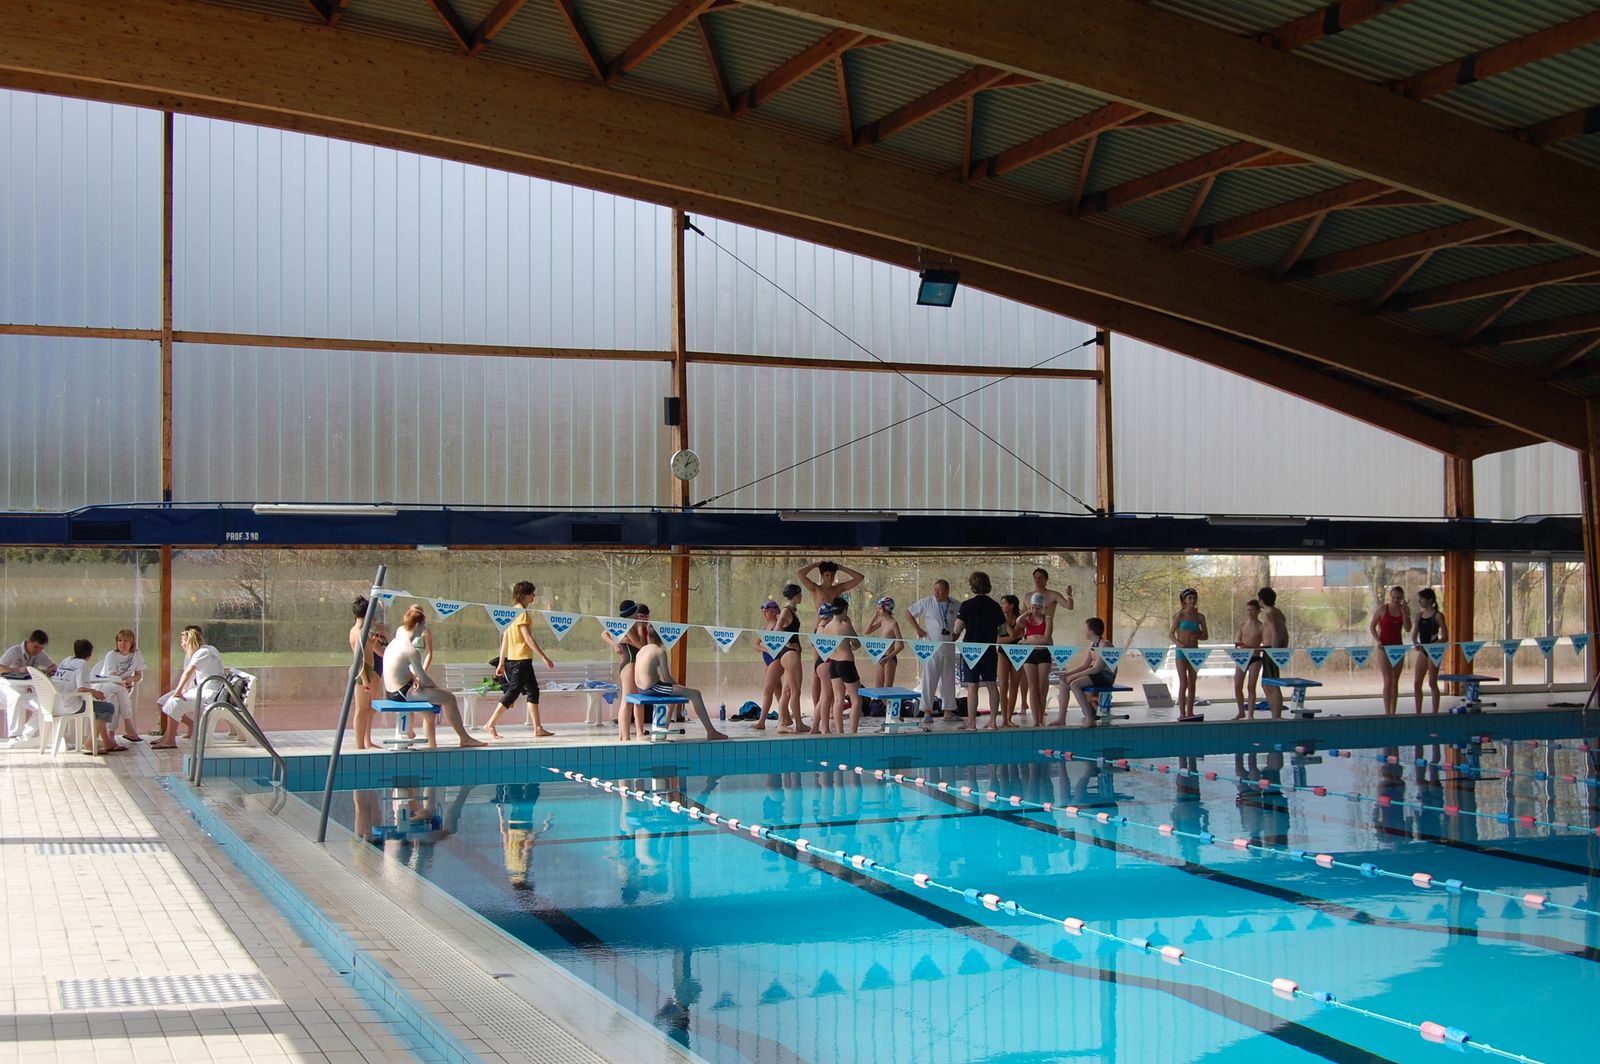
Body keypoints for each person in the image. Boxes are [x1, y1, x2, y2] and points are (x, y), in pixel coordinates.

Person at [380, 607, 484, 748]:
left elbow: (397, 668)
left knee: (429, 714)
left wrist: (413, 678)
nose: (424, 628)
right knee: (449, 698)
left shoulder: (397, 639)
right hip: (402, 693)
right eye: (423, 625)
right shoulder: (410, 650)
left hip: (393, 691)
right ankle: (465, 739)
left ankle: (432, 747)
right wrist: (437, 689)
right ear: (417, 625)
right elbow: (424, 679)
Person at [485, 581, 557, 739]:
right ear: (524, 595)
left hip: (516, 660)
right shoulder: (522, 614)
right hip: (521, 660)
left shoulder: (511, 613)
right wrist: (544, 657)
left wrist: (502, 663)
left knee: (533, 690)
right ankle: (490, 723)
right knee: (513, 692)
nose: (534, 596)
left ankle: (538, 728)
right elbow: (527, 638)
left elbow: (504, 640)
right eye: (532, 594)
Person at [796, 561, 865, 714]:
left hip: (836, 631)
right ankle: (817, 709)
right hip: (820, 631)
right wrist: (815, 564)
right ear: (822, 575)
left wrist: (842, 567)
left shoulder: (838, 589)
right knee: (818, 671)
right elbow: (800, 574)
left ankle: (833, 707)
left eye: (832, 575)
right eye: (827, 575)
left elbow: (860, 578)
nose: (830, 578)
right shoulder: (816, 588)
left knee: (834, 668)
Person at [631, 640, 727, 741]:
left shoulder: (642, 650)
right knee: (696, 694)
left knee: (673, 694)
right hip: (653, 688)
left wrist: (678, 689)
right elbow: (667, 679)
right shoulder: (659, 652)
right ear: (661, 639)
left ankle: (649, 732)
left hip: (641, 689)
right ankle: (711, 732)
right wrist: (680, 688)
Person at [152, 625, 226, 748]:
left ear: (189, 642)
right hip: (204, 690)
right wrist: (182, 690)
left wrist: (179, 691)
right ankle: (168, 737)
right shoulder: (207, 650)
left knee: (174, 702)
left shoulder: (202, 652)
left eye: (183, 642)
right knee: (168, 702)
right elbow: (190, 674)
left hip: (210, 694)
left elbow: (188, 672)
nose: (181, 645)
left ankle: (170, 741)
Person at [952, 571, 1005, 731]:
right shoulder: (995, 606)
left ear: (972, 585)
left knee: (972, 686)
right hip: (989, 650)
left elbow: (956, 629)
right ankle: (993, 722)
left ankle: (971, 723)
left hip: (971, 651)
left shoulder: (966, 605)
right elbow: (1003, 631)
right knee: (991, 685)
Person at [55, 639, 121, 755]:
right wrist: (96, 693)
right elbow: (82, 688)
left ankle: (107, 743)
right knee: (108, 708)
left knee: (100, 710)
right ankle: (90, 743)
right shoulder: (82, 664)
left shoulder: (66, 660)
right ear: (90, 653)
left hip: (58, 703)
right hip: (71, 705)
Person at [907, 580, 957, 717]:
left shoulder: (955, 604)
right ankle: (926, 711)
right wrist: (918, 629)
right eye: (935, 590)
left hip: (948, 647)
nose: (936, 593)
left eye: (939, 590)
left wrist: (957, 633)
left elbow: (964, 618)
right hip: (931, 648)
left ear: (947, 591)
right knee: (929, 679)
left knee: (948, 680)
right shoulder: (927, 602)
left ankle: (948, 711)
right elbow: (908, 612)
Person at [1055, 617, 1117, 727]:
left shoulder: (1105, 645)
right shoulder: (1092, 645)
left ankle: (1090, 719)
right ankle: (1061, 718)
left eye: (1085, 629)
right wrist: (1068, 674)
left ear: (1091, 631)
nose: (1084, 631)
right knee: (1064, 682)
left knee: (1075, 684)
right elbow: (1084, 665)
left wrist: (1073, 676)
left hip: (1107, 676)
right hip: (1097, 674)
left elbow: (1096, 669)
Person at [604, 600, 652, 741]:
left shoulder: (629, 624)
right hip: (630, 663)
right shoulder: (627, 626)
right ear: (634, 611)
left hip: (635, 662)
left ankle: (638, 733)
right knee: (628, 701)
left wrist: (617, 643)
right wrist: (617, 643)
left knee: (638, 700)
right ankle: (625, 736)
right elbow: (641, 646)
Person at [92, 628, 147, 744]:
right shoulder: (111, 655)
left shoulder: (136, 654)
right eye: (119, 640)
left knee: (115, 699)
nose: (122, 643)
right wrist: (123, 683)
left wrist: (131, 679)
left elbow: (139, 675)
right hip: (105, 685)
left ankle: (111, 735)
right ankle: (128, 725)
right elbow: (112, 676)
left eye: (126, 641)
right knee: (119, 690)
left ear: (132, 642)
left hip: (122, 687)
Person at [348, 598, 388, 750]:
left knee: (367, 709)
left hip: (367, 670)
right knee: (361, 710)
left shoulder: (360, 631)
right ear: (368, 614)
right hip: (362, 672)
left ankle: (365, 742)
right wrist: (365, 680)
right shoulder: (359, 633)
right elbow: (359, 659)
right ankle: (359, 745)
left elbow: (369, 649)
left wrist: (374, 641)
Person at [1, 629, 55, 743]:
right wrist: (18, 670)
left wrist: (42, 672)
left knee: (44, 705)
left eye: (41, 648)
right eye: (35, 647)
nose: (38, 651)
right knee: (15, 698)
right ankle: (14, 736)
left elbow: (54, 667)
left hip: (26, 688)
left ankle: (26, 735)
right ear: (29, 642)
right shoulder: (15, 651)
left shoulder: (40, 653)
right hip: (8, 685)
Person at [824, 597, 864, 733]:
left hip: (833, 664)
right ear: (844, 610)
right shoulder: (845, 627)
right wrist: (850, 627)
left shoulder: (827, 627)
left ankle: (840, 732)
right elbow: (857, 643)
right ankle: (853, 733)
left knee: (838, 700)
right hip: (846, 664)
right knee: (856, 700)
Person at [1369, 585, 1411, 716]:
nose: (1396, 600)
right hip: (1384, 647)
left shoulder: (1404, 610)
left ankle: (1393, 711)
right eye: (1393, 597)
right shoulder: (1383, 609)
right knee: (1388, 679)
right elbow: (1372, 626)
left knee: (1395, 680)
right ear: (1390, 596)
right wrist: (1378, 640)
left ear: (1402, 598)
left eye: (1398, 598)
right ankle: (1387, 712)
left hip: (1398, 648)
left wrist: (1405, 614)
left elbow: (1408, 629)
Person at [1168, 588, 1208, 722]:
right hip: (1181, 651)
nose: (1192, 600)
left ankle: (1190, 712)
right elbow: (1170, 634)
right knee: (1183, 682)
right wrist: (1179, 644)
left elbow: (1206, 636)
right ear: (1184, 600)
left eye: (1194, 598)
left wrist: (1198, 636)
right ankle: (1182, 713)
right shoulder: (1180, 615)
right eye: (1189, 598)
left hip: (1194, 652)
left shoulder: (1200, 617)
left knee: (1192, 683)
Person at [1018, 592, 1054, 728]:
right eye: (1032, 607)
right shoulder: (1028, 620)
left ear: (1043, 607)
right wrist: (1027, 613)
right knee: (1032, 687)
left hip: (1043, 653)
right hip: (1029, 655)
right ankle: (1035, 720)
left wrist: (1027, 641)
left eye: (1037, 608)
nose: (1035, 610)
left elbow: (1046, 639)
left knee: (1042, 687)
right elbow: (1018, 622)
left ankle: (1041, 716)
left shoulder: (1048, 619)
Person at [1412, 587, 1448, 714]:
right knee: (1417, 683)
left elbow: (1445, 637)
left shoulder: (1438, 616)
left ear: (1430, 600)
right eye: (1419, 599)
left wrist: (1432, 646)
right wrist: (1416, 643)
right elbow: (1414, 636)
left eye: (1422, 599)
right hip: (1423, 651)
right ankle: (1418, 712)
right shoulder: (1419, 616)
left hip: (1434, 651)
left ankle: (1434, 713)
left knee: (1432, 682)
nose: (1419, 601)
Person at [776, 584, 806, 733]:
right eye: (800, 594)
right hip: (789, 654)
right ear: (794, 595)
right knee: (795, 691)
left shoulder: (791, 610)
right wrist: (788, 643)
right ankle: (798, 724)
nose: (801, 596)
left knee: (787, 691)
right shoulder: (786, 610)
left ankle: (781, 724)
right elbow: (777, 628)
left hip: (789, 653)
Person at [1258, 587, 1289, 720]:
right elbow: (1285, 633)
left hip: (1271, 649)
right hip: (1276, 649)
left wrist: (1274, 652)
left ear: (1261, 600)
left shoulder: (1269, 614)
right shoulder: (1279, 613)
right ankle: (1275, 713)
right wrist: (1283, 649)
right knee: (1266, 683)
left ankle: (1276, 716)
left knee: (1272, 683)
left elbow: (1275, 632)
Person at [1231, 600, 1264, 721]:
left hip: (1255, 658)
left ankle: (1250, 714)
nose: (1250, 613)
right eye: (1248, 610)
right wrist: (1238, 643)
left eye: (1253, 610)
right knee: (1237, 686)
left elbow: (1265, 645)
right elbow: (1238, 639)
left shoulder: (1261, 627)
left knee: (1251, 687)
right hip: (1243, 657)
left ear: (1258, 611)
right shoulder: (1243, 625)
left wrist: (1249, 647)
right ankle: (1241, 712)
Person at [862, 596, 903, 689]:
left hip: (889, 658)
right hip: (880, 656)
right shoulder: (882, 620)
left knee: (887, 689)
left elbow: (901, 645)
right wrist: (874, 616)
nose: (878, 610)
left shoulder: (893, 624)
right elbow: (867, 631)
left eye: (880, 608)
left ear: (885, 609)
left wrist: (888, 657)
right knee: (878, 688)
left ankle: (887, 701)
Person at [995, 594, 1023, 722]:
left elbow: (1016, 633)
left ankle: (1009, 718)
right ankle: (1004, 719)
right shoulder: (999, 619)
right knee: (1003, 686)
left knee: (1014, 686)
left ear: (1011, 605)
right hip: (1003, 653)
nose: (1001, 606)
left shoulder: (1020, 618)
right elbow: (998, 640)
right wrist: (1014, 637)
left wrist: (1012, 634)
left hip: (1018, 653)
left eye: (1003, 603)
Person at [811, 603, 836, 735]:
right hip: (826, 662)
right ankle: (825, 728)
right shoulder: (826, 629)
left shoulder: (818, 628)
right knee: (826, 697)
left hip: (820, 662)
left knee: (824, 698)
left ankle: (815, 727)